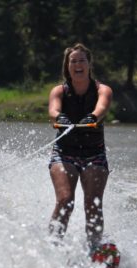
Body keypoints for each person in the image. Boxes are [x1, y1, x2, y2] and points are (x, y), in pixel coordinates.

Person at [48, 43, 112, 251]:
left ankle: (94, 250)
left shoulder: (103, 90)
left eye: (82, 60)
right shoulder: (59, 91)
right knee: (66, 200)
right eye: (73, 61)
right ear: (67, 66)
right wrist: (60, 117)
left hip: (94, 154)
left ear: (89, 64)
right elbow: (52, 112)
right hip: (64, 153)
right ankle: (52, 247)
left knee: (92, 204)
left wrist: (93, 116)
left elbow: (102, 107)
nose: (77, 65)